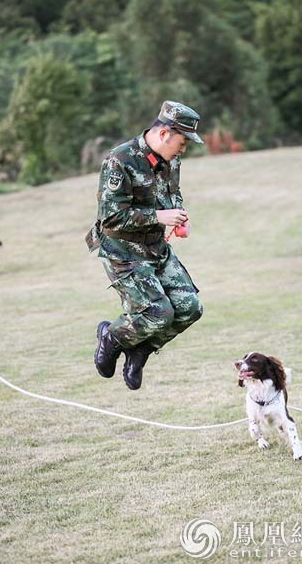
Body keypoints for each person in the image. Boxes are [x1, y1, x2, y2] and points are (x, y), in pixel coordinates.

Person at [86, 100, 204, 390]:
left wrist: (179, 216)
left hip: (155, 248)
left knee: (190, 307)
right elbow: (110, 218)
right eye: (183, 141)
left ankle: (140, 350)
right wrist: (159, 216)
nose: (184, 148)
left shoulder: (171, 160)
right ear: (164, 134)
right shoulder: (120, 160)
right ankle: (112, 337)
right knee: (158, 313)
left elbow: (172, 193)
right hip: (122, 251)